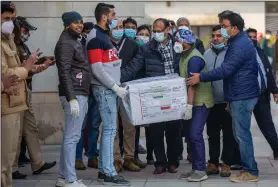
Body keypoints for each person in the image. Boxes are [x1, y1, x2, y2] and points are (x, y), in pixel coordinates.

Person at [187, 11, 260, 183]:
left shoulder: (239, 45)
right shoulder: (238, 42)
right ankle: (249, 169)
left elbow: (226, 70)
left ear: (235, 28)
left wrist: (200, 77)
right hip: (239, 94)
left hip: (242, 95)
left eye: (224, 26)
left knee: (242, 135)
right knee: (239, 134)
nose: (222, 30)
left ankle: (251, 171)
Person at [121, 18, 182, 175]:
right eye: (154, 30)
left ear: (168, 30)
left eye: (159, 31)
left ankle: (173, 161)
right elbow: (135, 65)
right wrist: (117, 79)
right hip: (155, 94)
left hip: (174, 92)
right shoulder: (147, 48)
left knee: (174, 130)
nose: (156, 33)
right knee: (156, 130)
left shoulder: (179, 45)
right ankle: (160, 162)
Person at [86, 3, 130, 185]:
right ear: (104, 17)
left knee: (109, 131)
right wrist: (114, 86)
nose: (115, 17)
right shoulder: (96, 37)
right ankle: (109, 172)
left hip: (109, 89)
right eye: (113, 14)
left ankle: (105, 170)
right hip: (105, 90)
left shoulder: (104, 35)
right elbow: (97, 69)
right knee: (110, 130)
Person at [12, 15, 56, 180]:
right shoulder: (11, 46)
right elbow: (20, 70)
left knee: (31, 128)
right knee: (15, 133)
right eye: (25, 30)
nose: (27, 33)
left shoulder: (21, 45)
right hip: (15, 93)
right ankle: (11, 168)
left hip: (26, 91)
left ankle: (38, 163)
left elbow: (28, 67)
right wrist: (39, 65)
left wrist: (44, 62)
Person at [1, 3, 39, 187]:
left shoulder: (7, 39)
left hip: (15, 101)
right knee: (4, 162)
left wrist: (33, 66)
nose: (10, 23)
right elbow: (8, 74)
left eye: (12, 19)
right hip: (6, 104)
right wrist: (26, 67)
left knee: (8, 161)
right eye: (6, 19)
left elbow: (14, 71)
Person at [54, 11, 91, 187]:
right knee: (72, 137)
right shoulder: (66, 43)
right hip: (74, 94)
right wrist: (72, 98)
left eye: (81, 22)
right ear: (67, 24)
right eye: (75, 22)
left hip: (78, 92)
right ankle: (70, 179)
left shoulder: (74, 39)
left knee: (70, 136)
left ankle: (63, 177)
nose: (79, 25)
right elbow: (64, 72)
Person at [173, 29, 213, 182]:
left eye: (178, 41)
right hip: (192, 100)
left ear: (187, 42)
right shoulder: (184, 55)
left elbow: (192, 85)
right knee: (191, 135)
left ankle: (201, 170)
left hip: (200, 101)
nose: (176, 44)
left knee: (196, 135)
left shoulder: (194, 59)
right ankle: (195, 168)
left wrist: (189, 106)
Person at [110, 19, 147, 173]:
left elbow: (137, 63)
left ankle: (129, 158)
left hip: (127, 87)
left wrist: (121, 77)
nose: (119, 29)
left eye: (121, 27)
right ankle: (115, 159)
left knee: (129, 125)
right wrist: (112, 81)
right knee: (111, 126)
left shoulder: (132, 44)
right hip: (110, 88)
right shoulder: (104, 43)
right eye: (116, 27)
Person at [204, 25, 239, 178]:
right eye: (213, 35)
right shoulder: (206, 55)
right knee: (212, 134)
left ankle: (226, 163)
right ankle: (212, 162)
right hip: (211, 103)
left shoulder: (231, 54)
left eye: (219, 35)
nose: (216, 38)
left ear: (225, 37)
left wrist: (232, 99)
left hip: (227, 102)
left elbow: (235, 78)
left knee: (229, 135)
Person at [246, 28, 278, 160]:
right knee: (242, 128)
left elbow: (268, 72)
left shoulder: (261, 52)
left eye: (254, 37)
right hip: (246, 95)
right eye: (250, 37)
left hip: (262, 95)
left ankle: (276, 149)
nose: (252, 40)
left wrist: (274, 90)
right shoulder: (241, 53)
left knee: (267, 125)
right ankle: (238, 158)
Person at [75, 21, 102, 171]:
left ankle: (92, 156)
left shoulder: (98, 43)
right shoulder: (78, 44)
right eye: (86, 31)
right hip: (83, 90)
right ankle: (78, 158)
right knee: (80, 126)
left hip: (96, 89)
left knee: (94, 126)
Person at [134, 24, 155, 165]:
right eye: (141, 34)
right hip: (136, 91)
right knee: (135, 127)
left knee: (151, 128)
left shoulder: (153, 50)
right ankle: (134, 155)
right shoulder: (133, 49)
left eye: (147, 34)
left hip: (150, 91)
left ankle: (150, 156)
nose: (144, 36)